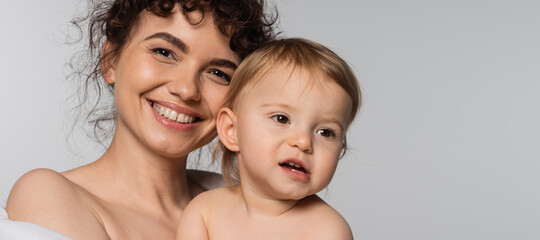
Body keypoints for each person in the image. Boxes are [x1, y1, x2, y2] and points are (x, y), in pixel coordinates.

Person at [4, 0, 275, 239]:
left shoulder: (239, 199)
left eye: (218, 73)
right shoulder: (49, 194)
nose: (186, 89)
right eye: (164, 52)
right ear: (111, 60)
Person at [175, 38, 360, 240]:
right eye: (282, 119)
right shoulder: (204, 212)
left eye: (325, 132)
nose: (303, 142)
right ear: (231, 130)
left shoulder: (327, 230)